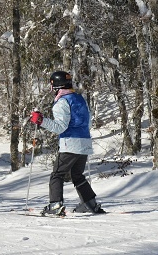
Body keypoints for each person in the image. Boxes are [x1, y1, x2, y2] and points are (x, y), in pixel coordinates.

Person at [29, 70, 105, 216]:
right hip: (84, 143)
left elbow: (60, 127)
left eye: (52, 87)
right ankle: (90, 204)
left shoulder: (62, 102)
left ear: (56, 87)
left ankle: (55, 205)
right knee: (77, 175)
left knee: (57, 174)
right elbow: (88, 124)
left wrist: (40, 120)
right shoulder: (80, 99)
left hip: (70, 143)